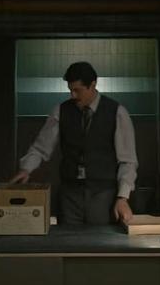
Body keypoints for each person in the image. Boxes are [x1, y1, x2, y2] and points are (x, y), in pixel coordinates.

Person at [11, 61, 138, 225]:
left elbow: (128, 161)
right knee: (67, 238)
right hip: (70, 195)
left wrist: (122, 197)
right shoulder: (60, 111)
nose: (73, 95)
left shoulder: (117, 112)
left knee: (101, 239)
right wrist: (26, 169)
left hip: (103, 195)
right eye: (70, 90)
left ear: (93, 85)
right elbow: (41, 148)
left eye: (78, 90)